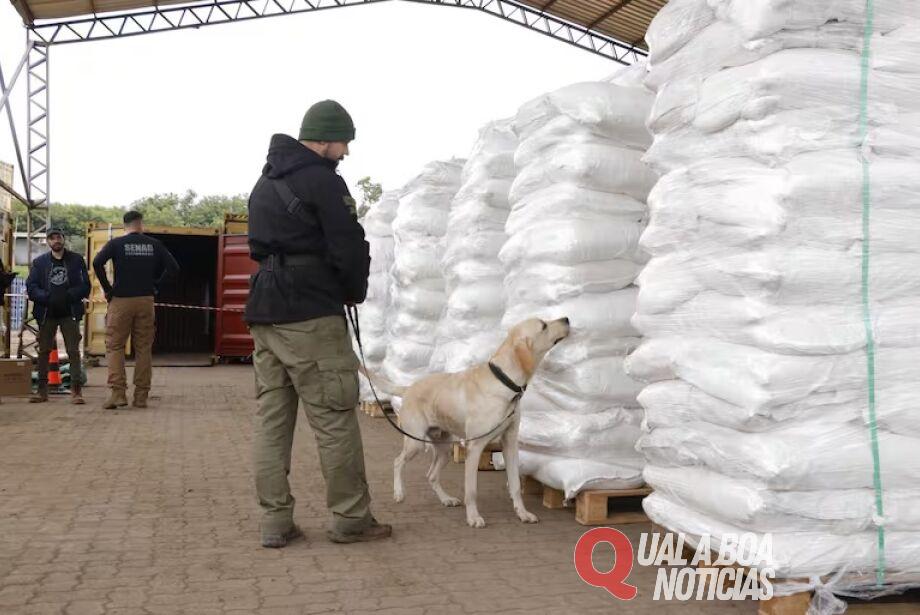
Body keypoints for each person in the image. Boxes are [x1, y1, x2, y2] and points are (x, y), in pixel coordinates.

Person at [245, 100, 390, 548]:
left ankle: (275, 523)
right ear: (325, 139)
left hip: (266, 310)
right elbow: (348, 244)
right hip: (309, 311)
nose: (346, 151)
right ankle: (351, 519)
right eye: (344, 141)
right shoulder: (323, 181)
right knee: (334, 418)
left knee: (273, 421)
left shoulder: (264, 182)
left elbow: (257, 247)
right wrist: (352, 289)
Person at [92, 211, 179, 409]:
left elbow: (97, 263)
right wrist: (156, 285)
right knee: (143, 348)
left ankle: (118, 393)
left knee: (115, 346)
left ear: (125, 225)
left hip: (121, 300)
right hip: (146, 300)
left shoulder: (116, 244)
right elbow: (174, 268)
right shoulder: (154, 244)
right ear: (141, 224)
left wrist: (107, 289)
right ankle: (141, 397)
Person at [26, 229, 91, 405]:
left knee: (73, 352)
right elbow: (31, 287)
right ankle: (41, 391)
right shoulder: (40, 263)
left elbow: (86, 285)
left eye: (59, 237)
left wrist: (70, 296)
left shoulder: (76, 260)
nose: (56, 241)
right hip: (47, 313)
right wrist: (45, 297)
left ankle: (76, 391)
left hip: (69, 313)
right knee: (43, 352)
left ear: (63, 239)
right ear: (48, 242)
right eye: (52, 238)